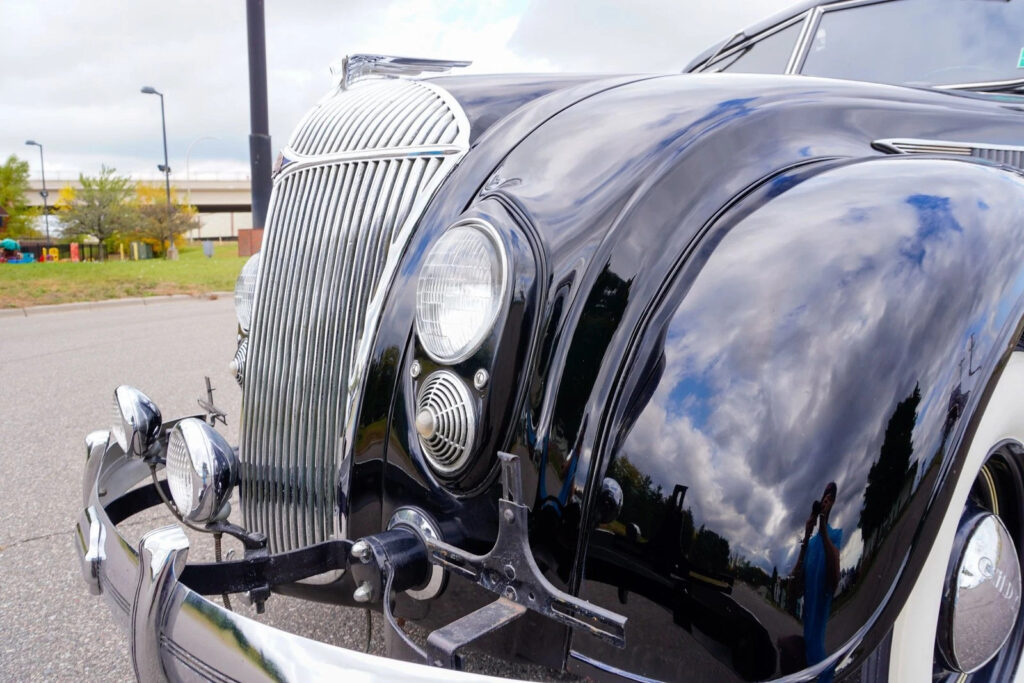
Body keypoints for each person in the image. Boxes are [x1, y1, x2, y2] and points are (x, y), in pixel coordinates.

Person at [780, 482, 842, 679]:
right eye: (824, 498)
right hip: (805, 639)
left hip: (819, 646)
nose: (826, 502)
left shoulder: (834, 535)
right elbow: (793, 591)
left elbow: (834, 577)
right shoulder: (812, 544)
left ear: (833, 503)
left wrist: (823, 528)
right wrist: (806, 538)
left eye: (830, 499)